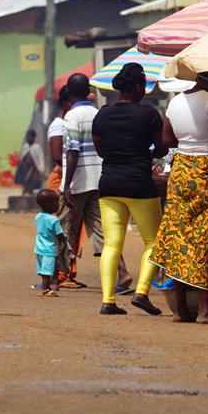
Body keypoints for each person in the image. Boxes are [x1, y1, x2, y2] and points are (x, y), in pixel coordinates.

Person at [149, 71, 208, 325]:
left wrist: (190, 140)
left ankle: (180, 310)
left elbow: (167, 141)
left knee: (180, 237)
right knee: (204, 239)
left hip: (180, 173)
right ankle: (205, 310)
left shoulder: (175, 101)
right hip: (206, 174)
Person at [91, 63, 166, 317]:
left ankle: (108, 300)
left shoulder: (102, 114)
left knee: (112, 245)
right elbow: (162, 147)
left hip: (109, 184)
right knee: (153, 241)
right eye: (143, 85)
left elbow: (101, 150)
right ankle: (142, 292)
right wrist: (147, 156)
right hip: (140, 185)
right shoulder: (149, 114)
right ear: (136, 86)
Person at [60, 73, 133, 292]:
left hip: (78, 181)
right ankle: (122, 273)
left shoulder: (72, 116)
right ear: (89, 92)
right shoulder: (98, 113)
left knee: (64, 229)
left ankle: (57, 276)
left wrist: (67, 185)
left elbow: (73, 152)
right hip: (99, 179)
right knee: (102, 231)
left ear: (68, 93)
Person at [46, 86, 83, 287]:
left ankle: (66, 271)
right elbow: (56, 156)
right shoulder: (58, 125)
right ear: (64, 102)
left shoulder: (71, 122)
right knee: (60, 226)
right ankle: (55, 274)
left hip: (71, 177)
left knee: (72, 227)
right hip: (61, 177)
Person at [32, 189, 67, 297]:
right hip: (50, 249)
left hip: (39, 248)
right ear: (50, 205)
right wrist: (64, 239)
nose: (59, 205)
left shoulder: (38, 217)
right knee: (47, 271)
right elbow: (60, 234)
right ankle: (45, 290)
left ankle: (46, 287)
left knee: (43, 270)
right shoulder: (54, 219)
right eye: (57, 203)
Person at [16, 129, 41, 195]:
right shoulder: (25, 146)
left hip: (33, 167)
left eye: (29, 136)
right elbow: (22, 156)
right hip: (25, 167)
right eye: (27, 136)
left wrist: (40, 167)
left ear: (33, 137)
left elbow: (40, 158)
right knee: (26, 180)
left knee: (27, 179)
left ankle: (30, 192)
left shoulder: (37, 147)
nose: (28, 138)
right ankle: (28, 191)